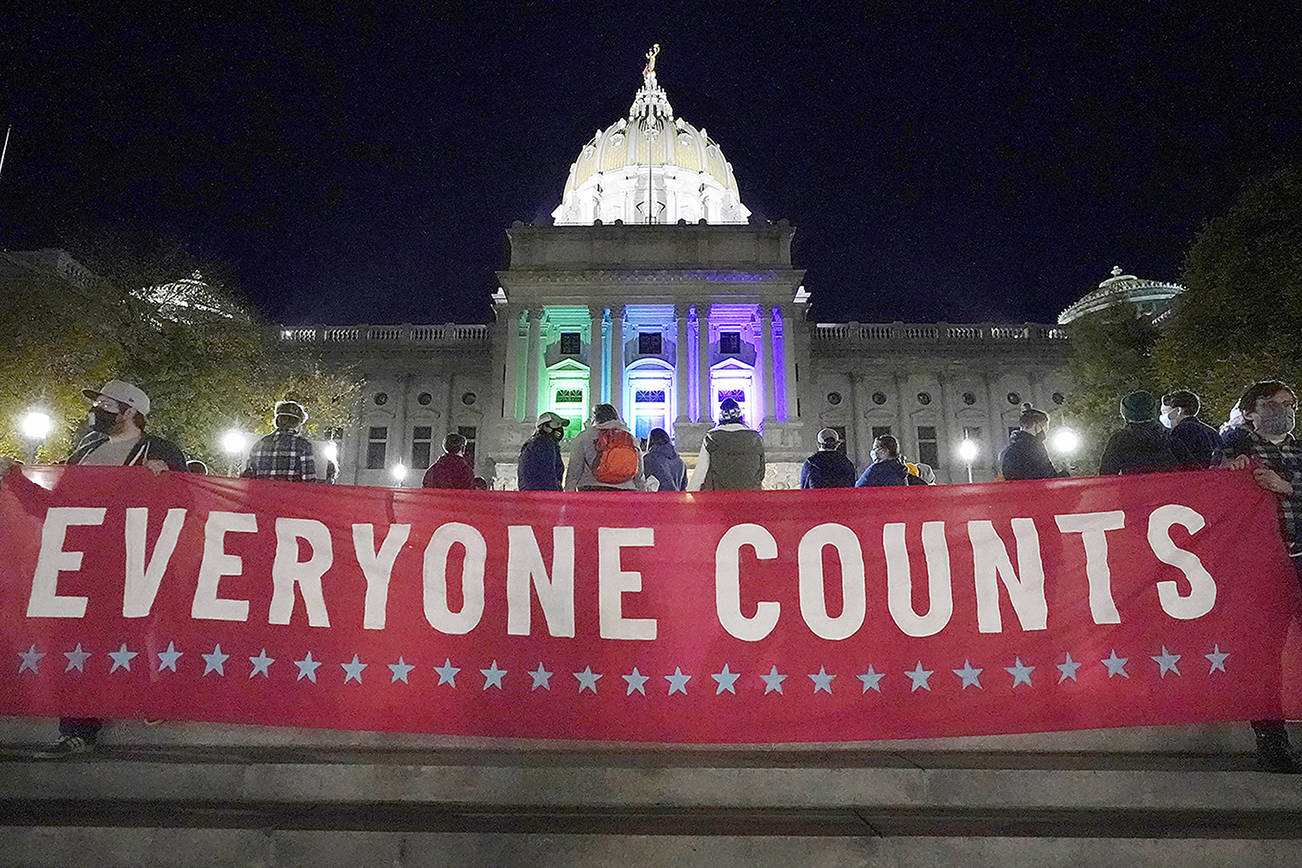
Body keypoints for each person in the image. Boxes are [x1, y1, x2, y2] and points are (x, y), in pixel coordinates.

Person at [19, 379, 187, 759]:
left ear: (131, 412)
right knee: (73, 640)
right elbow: (55, 503)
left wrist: (167, 480)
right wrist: (16, 482)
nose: (96, 410)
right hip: (80, 561)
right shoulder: (86, 450)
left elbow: (185, 503)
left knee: (127, 631)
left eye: (106, 405)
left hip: (132, 560)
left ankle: (147, 695)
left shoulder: (158, 450)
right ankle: (77, 729)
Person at [1218, 380, 1302, 773]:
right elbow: (1208, 498)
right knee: (1265, 654)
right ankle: (1272, 742)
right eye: (1272, 404)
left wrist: (1286, 487)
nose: (1282, 410)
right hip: (1262, 567)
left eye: (1289, 404)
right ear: (1250, 411)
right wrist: (1227, 472)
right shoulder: (1234, 452)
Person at [1098, 390, 1195, 475]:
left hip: (1134, 494)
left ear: (1125, 415)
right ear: (1153, 411)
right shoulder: (1169, 437)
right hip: (1168, 493)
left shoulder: (1119, 441)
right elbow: (1194, 472)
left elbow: (1106, 475)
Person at [687, 398, 765, 491]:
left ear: (721, 417)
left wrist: (690, 491)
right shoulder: (756, 438)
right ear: (740, 417)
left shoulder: (711, 438)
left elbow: (701, 471)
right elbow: (761, 471)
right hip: (749, 496)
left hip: (720, 496)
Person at [565, 403, 646, 491]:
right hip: (626, 491)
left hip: (592, 490)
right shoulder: (630, 437)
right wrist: (642, 492)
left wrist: (569, 494)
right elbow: (639, 473)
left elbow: (574, 471)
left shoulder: (584, 437)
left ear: (595, 418)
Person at [241, 400, 316, 482]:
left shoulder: (259, 444)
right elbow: (309, 481)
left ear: (277, 421)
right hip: (290, 494)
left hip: (263, 494)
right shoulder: (304, 446)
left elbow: (249, 478)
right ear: (297, 423)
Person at [999, 404, 1068, 480]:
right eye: (1045, 426)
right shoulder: (1035, 447)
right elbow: (1048, 475)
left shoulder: (1008, 449)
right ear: (1037, 425)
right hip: (1036, 489)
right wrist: (1064, 474)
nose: (1046, 430)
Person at [1161, 389, 1222, 468]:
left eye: (1164, 412)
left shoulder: (1181, 431)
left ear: (1178, 410)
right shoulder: (1211, 431)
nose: (1163, 416)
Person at [518, 412, 568, 491]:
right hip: (541, 496)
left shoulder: (536, 443)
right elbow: (548, 474)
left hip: (534, 495)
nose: (560, 429)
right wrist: (555, 495)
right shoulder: (543, 444)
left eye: (561, 426)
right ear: (545, 427)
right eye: (556, 425)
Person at [856, 434, 927, 487]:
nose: (873, 451)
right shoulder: (902, 469)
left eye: (875, 448)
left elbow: (857, 487)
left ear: (885, 451)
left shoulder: (876, 470)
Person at [643, 427, 687, 492]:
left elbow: (642, 483)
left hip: (659, 499)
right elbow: (683, 486)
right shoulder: (680, 461)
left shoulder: (649, 459)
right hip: (676, 498)